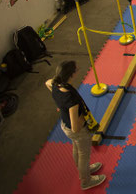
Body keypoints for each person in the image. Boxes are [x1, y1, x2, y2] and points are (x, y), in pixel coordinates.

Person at [46, 61, 106, 190]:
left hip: (65, 125)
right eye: (76, 70)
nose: (78, 71)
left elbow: (47, 83)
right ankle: (86, 181)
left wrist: (60, 106)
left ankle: (82, 170)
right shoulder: (71, 99)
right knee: (84, 154)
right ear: (72, 74)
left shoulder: (56, 84)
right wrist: (80, 118)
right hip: (77, 131)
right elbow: (75, 127)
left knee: (76, 148)